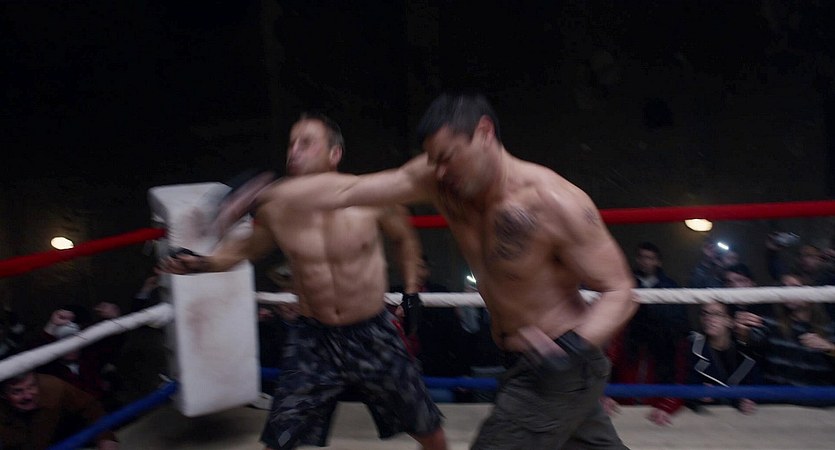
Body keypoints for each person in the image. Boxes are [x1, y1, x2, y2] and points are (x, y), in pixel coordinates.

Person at [270, 93, 638, 448]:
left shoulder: (553, 202)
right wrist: (264, 196)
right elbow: (349, 191)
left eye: (448, 158)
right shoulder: (440, 179)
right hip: (526, 362)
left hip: (559, 367)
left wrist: (570, 350)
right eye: (433, 161)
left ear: (484, 133)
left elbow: (621, 290)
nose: (440, 172)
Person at [158, 112, 447, 450]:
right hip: (314, 338)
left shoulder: (370, 196)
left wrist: (411, 292)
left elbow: (405, 239)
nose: (294, 151)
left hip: (371, 332)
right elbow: (243, 250)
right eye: (291, 144)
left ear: (334, 154)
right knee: (279, 440)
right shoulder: (276, 210)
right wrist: (201, 263)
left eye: (306, 143)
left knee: (428, 429)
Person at [604, 242, 689, 426]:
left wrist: (668, 405)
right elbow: (603, 369)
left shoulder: (670, 288)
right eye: (642, 257)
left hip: (655, 410)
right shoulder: (626, 284)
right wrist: (605, 395)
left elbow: (680, 377)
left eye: (650, 258)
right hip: (621, 410)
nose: (645, 262)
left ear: (658, 261)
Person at [0, 371, 119, 450]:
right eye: (17, 391)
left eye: (32, 386)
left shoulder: (52, 388)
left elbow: (90, 408)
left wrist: (106, 439)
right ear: (3, 395)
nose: (28, 396)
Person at [686, 301, 759, 415]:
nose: (709, 319)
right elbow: (685, 386)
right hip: (705, 418)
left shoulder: (744, 351)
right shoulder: (692, 347)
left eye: (716, 314)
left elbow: (754, 387)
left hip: (741, 419)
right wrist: (697, 392)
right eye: (705, 313)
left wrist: (747, 401)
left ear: (730, 321)